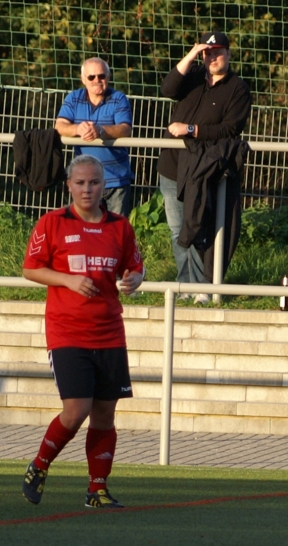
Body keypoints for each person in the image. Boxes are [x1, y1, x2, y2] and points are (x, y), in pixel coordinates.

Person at [21, 154, 145, 509]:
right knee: (76, 411)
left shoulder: (119, 227)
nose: (87, 188)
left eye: (94, 182)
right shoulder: (52, 223)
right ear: (69, 186)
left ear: (104, 187)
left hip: (109, 332)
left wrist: (135, 279)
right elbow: (31, 269)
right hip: (67, 332)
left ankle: (97, 490)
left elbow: (135, 267)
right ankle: (40, 465)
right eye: (80, 183)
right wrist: (69, 281)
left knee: (105, 414)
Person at [157, 31, 251, 304]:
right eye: (207, 53)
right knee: (178, 230)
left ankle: (202, 287)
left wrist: (191, 129)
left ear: (229, 54)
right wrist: (190, 55)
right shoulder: (194, 75)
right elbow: (168, 89)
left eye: (218, 52)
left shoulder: (238, 88)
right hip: (173, 166)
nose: (212, 58)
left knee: (197, 228)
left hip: (203, 170)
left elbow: (231, 128)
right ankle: (184, 284)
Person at [54, 57, 135, 217]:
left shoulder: (119, 98)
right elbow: (59, 126)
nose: (97, 80)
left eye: (101, 76)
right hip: (86, 182)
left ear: (108, 77)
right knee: (87, 232)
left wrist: (100, 131)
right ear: (83, 79)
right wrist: (78, 129)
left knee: (115, 234)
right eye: (91, 77)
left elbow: (125, 129)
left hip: (116, 180)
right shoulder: (73, 98)